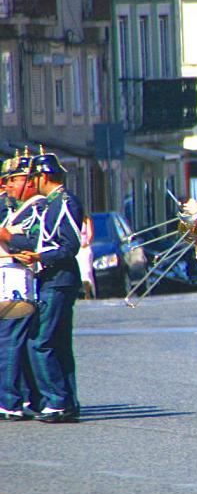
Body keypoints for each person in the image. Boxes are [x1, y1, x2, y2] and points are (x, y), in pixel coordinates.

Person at [1, 151, 85, 422]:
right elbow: (40, 239)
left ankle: (58, 401)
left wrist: (39, 257)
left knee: (41, 341)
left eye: (34, 177)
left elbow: (69, 245)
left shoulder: (64, 201)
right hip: (50, 277)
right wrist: (28, 249)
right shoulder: (52, 203)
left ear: (44, 176)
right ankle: (66, 401)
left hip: (59, 278)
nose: (31, 182)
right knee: (56, 343)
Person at [0, 153, 43, 420]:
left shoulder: (37, 206)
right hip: (7, 274)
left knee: (10, 340)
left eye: (15, 180)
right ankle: (29, 397)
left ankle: (9, 400)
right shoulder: (16, 207)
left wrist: (5, 235)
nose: (10, 187)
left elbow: (33, 242)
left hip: (14, 277)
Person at [76, 214, 95, 299]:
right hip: (76, 250)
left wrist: (86, 243)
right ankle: (80, 292)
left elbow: (90, 234)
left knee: (87, 271)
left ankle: (89, 292)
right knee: (79, 271)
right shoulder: (73, 220)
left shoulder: (86, 220)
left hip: (85, 249)